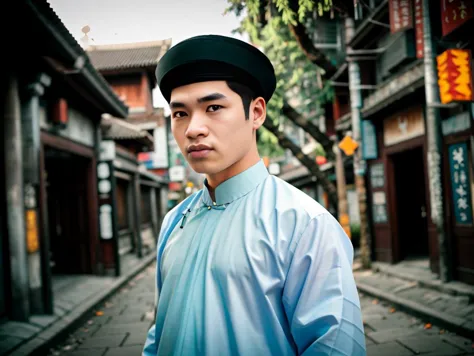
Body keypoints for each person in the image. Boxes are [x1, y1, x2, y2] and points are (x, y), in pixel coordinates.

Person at [143, 34, 366, 356]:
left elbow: (334, 347)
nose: (193, 128)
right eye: (180, 114)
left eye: (214, 107)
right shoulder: (174, 221)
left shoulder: (303, 224)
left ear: (257, 112)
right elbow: (159, 332)